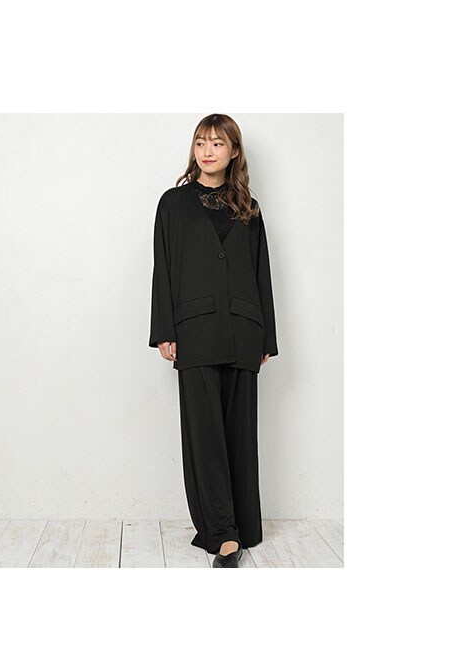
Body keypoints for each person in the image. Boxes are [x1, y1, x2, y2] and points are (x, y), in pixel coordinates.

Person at [148, 114, 279, 568]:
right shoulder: (173, 204)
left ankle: (242, 525)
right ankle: (222, 534)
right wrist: (165, 330)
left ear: (234, 152)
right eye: (201, 142)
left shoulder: (250, 208)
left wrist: (268, 337)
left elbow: (261, 273)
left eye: (218, 143)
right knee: (205, 436)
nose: (208, 151)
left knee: (240, 436)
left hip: (244, 330)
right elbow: (163, 267)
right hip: (195, 331)